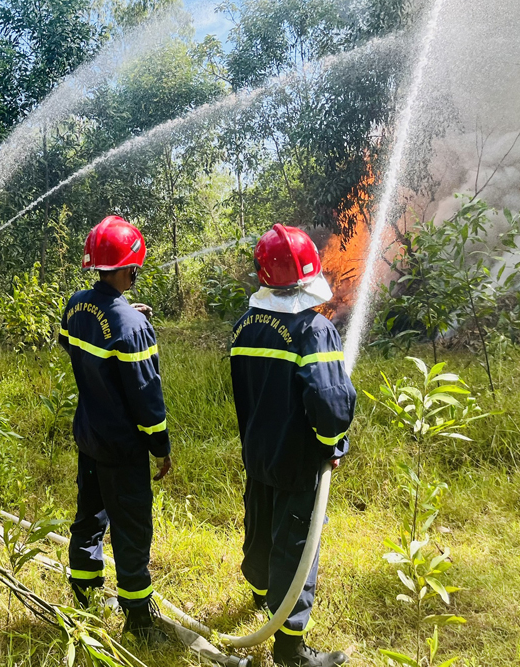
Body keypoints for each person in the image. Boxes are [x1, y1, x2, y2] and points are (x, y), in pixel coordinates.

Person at [229, 225, 356, 667]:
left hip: (258, 451)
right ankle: (290, 647)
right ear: (307, 278)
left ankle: (262, 595)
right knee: (296, 544)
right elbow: (328, 401)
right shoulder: (314, 331)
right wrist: (332, 444)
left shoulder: (245, 325)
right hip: (298, 458)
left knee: (260, 527)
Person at [59, 216, 172, 644]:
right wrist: (160, 446)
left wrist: (124, 311)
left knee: (88, 518)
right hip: (123, 448)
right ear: (128, 269)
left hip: (89, 435)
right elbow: (147, 396)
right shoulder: (132, 326)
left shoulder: (76, 304)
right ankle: (140, 621)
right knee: (131, 530)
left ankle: (84, 600)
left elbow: (72, 339)